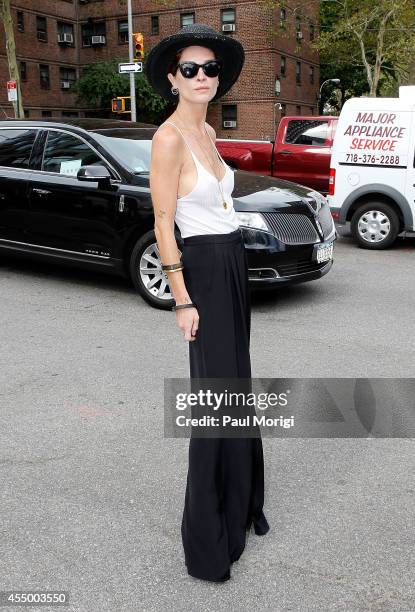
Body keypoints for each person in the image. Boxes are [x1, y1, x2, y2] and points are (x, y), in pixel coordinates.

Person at [145, 23, 269, 583]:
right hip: (202, 274)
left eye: (210, 69)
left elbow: (219, 205)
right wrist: (181, 299)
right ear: (172, 78)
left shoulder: (211, 133)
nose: (202, 77)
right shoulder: (168, 138)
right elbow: (164, 220)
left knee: (236, 388)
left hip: (231, 265)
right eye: (190, 69)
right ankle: (207, 537)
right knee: (215, 397)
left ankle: (240, 503)